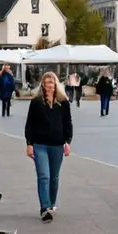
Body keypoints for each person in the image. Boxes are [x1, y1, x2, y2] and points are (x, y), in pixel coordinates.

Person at [24, 70, 73, 223]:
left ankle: (51, 203)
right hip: (40, 144)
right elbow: (30, 124)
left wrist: (68, 142)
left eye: (51, 83)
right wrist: (29, 144)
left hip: (57, 144)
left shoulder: (63, 102)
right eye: (46, 83)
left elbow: (68, 123)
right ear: (43, 85)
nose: (49, 86)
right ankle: (44, 208)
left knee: (54, 177)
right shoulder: (36, 102)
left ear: (56, 84)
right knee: (43, 175)